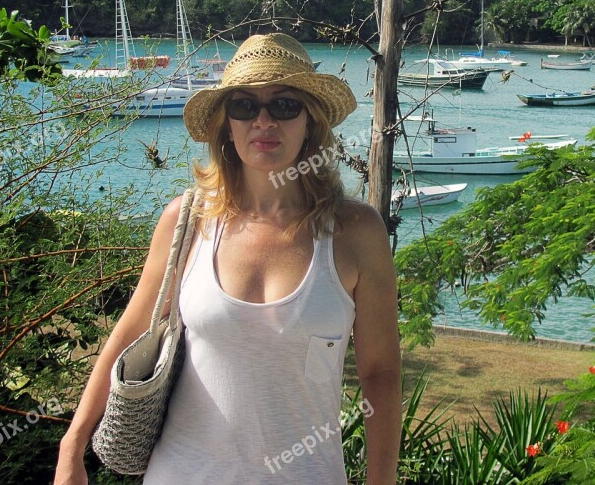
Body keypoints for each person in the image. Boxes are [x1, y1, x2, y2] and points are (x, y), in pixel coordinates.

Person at [54, 33, 402, 484]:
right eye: (243, 106)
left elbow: (380, 373)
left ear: (311, 122)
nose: (263, 121)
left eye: (283, 105)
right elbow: (132, 329)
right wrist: (73, 445)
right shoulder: (188, 220)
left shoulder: (356, 232)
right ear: (226, 125)